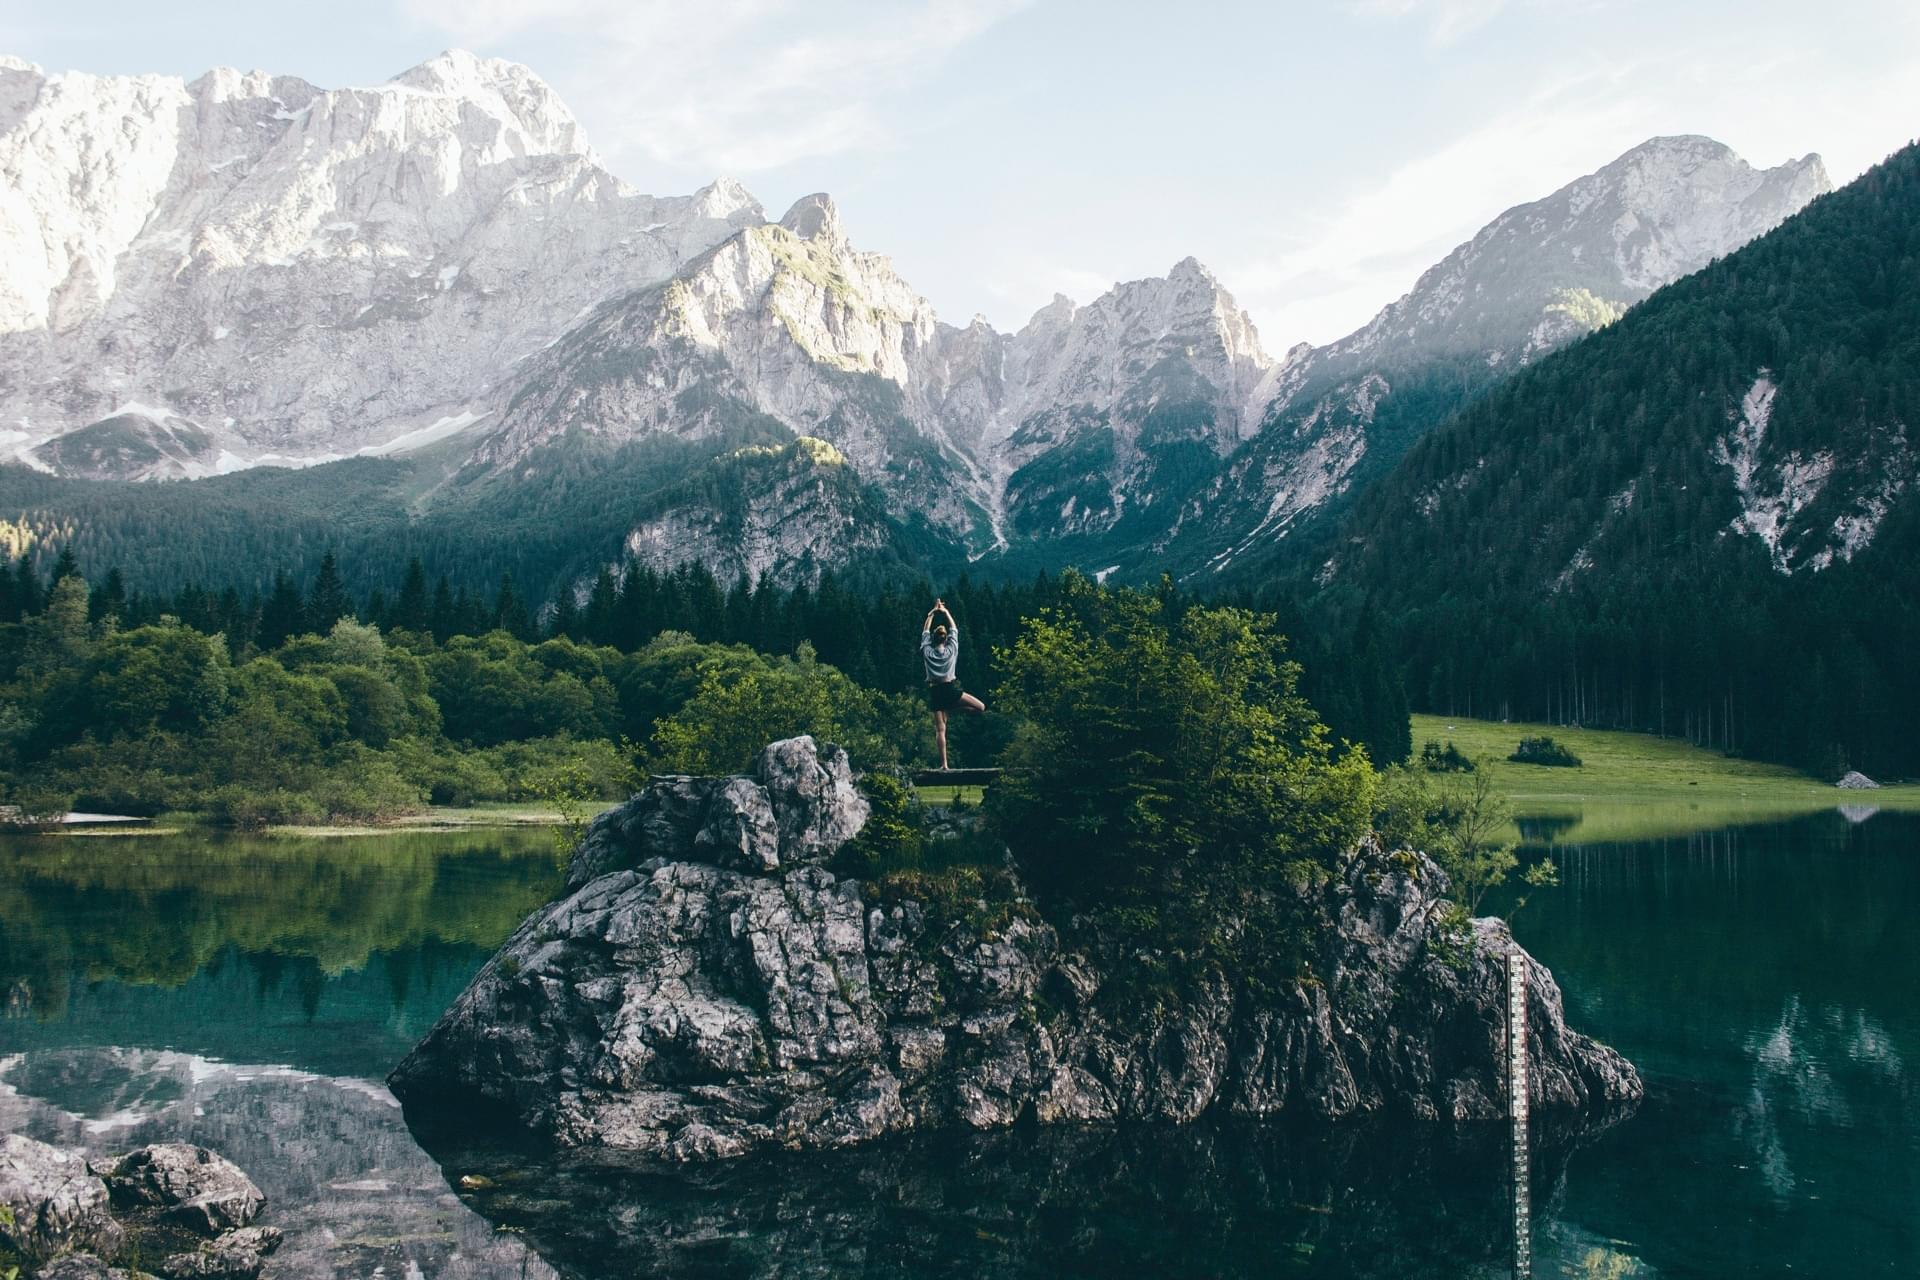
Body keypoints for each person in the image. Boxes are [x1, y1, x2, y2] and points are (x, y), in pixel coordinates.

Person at [921, 598, 984, 769]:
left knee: (940, 731)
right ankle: (953, 710)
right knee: (980, 707)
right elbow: (954, 628)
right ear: (946, 639)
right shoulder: (951, 650)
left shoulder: (927, 651)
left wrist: (932, 613)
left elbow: (925, 631)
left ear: (933, 640)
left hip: (935, 692)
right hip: (950, 690)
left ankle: (944, 765)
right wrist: (945, 612)